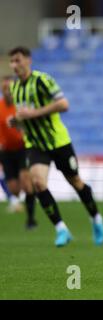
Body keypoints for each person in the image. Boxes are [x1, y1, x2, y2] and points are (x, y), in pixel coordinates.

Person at [8, 46, 103, 247]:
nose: (14, 65)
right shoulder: (15, 88)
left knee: (75, 182)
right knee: (38, 184)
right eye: (12, 61)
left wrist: (33, 114)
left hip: (58, 142)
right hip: (36, 145)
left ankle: (96, 218)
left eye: (17, 60)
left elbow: (63, 104)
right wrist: (16, 121)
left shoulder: (42, 80)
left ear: (28, 60)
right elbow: (24, 117)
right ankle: (61, 229)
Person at [0, 75, 36, 227]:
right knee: (14, 189)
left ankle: (31, 219)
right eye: (5, 88)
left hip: (23, 149)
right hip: (6, 151)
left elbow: (32, 125)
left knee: (26, 184)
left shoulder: (21, 106)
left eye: (10, 88)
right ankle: (19, 200)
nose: (7, 91)